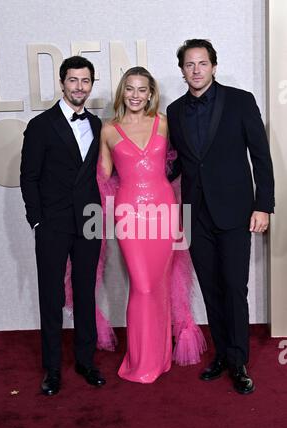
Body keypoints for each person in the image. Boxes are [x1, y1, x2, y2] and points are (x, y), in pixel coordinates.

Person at [167, 39, 275, 394]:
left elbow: (261, 156)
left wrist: (264, 205)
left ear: (213, 66)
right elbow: (182, 162)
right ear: (181, 70)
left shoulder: (240, 101)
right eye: (189, 65)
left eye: (202, 63)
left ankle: (238, 360)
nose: (196, 70)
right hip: (196, 215)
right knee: (212, 290)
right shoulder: (174, 110)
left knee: (233, 287)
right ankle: (222, 355)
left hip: (235, 211)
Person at [99, 66, 206, 384]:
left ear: (150, 93)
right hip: (129, 214)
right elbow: (102, 178)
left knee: (158, 285)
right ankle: (140, 360)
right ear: (122, 93)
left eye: (141, 89)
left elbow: (188, 162)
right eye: (129, 88)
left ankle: (159, 358)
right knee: (142, 285)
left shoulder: (165, 124)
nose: (135, 95)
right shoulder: (108, 130)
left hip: (164, 211)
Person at [20, 56, 106, 395]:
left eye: (85, 81)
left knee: (86, 292)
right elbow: (29, 177)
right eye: (73, 80)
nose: (79, 87)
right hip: (53, 223)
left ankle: (86, 361)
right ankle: (52, 369)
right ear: (62, 82)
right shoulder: (41, 125)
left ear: (91, 84)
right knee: (52, 295)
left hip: (89, 220)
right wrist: (37, 218)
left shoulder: (98, 125)